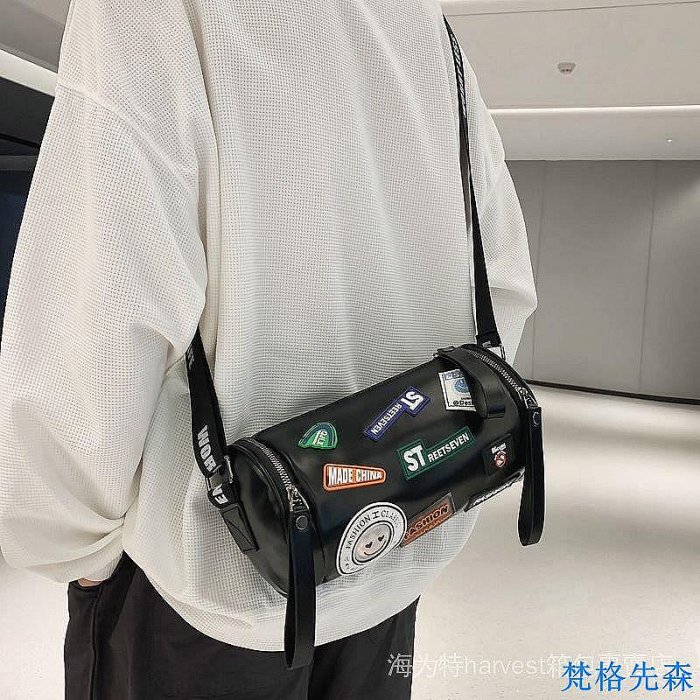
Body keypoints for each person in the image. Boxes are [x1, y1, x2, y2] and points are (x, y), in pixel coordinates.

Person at [0, 0, 536, 698]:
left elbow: (99, 323)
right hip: (393, 549)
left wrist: (72, 546)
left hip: (202, 590)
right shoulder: (427, 30)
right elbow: (501, 283)